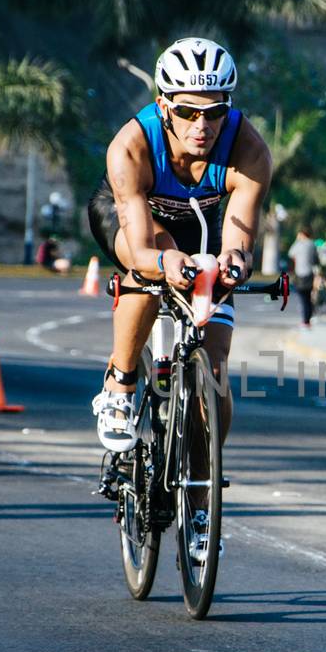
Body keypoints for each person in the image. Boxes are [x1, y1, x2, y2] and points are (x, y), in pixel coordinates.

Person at [87, 36, 272, 459]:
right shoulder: (131, 146)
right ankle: (121, 379)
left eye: (214, 113)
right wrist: (165, 260)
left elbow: (239, 235)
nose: (201, 126)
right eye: (187, 111)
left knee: (217, 364)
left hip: (200, 225)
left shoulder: (249, 148)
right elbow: (142, 247)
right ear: (164, 103)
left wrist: (234, 263)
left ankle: (202, 494)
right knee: (149, 267)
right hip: (131, 221)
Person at [289, 224, 318, 327]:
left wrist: (297, 240)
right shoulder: (313, 244)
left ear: (301, 234)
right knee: (308, 298)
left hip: (300, 274)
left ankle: (305, 321)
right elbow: (315, 260)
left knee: (303, 298)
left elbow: (291, 253)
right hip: (310, 274)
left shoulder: (299, 244)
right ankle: (307, 320)